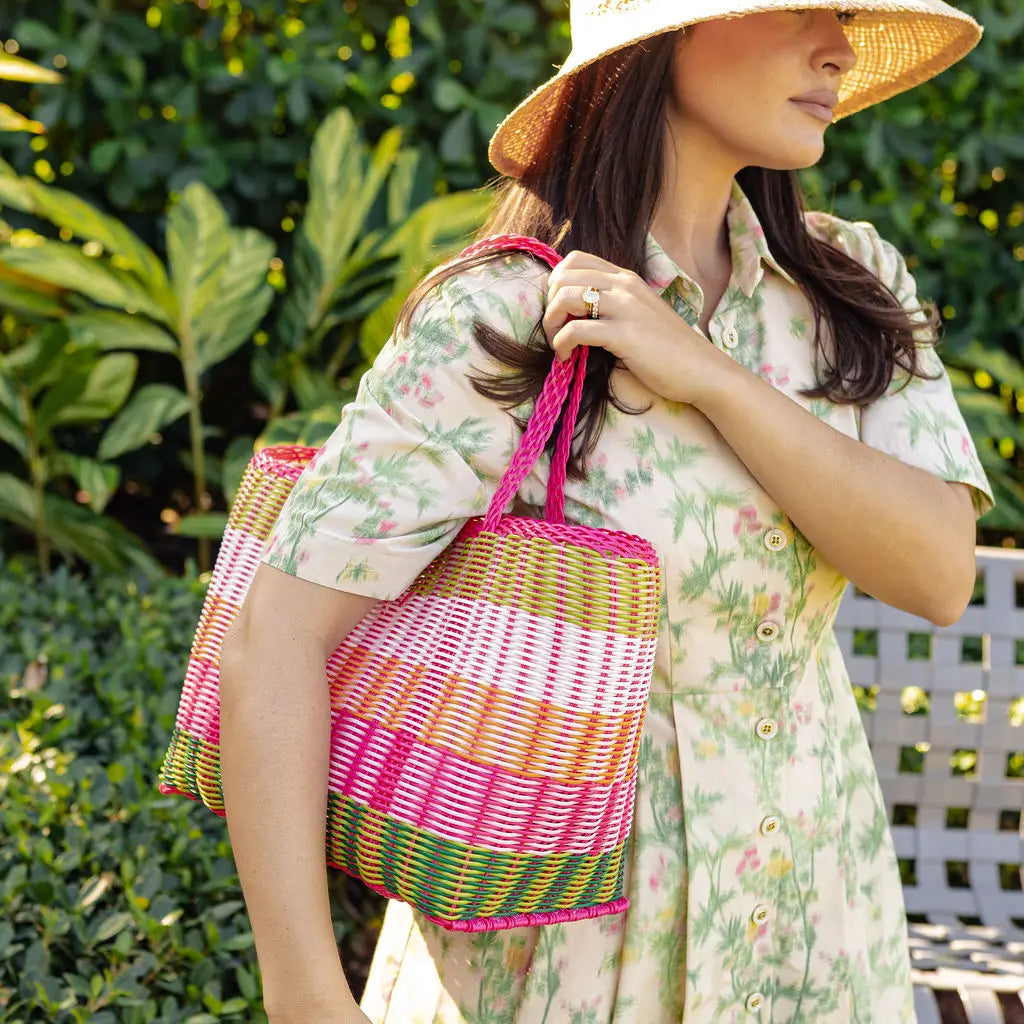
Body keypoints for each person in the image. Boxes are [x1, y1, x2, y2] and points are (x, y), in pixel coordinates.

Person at [218, 1, 994, 1021]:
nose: (839, 47)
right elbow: (272, 639)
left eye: (844, 11)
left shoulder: (848, 288)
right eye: (801, 6)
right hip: (571, 964)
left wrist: (708, 377)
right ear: (666, 36)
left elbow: (936, 573)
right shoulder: (508, 314)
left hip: (822, 938)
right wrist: (306, 997)